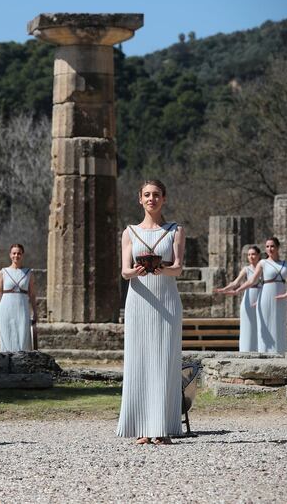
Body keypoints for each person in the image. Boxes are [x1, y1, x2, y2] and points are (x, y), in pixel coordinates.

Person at [116, 180, 184, 446]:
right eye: (147, 195)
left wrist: (161, 270)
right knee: (140, 360)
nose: (151, 199)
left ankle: (163, 427)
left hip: (166, 299)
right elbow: (124, 272)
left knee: (165, 361)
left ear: (164, 199)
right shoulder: (129, 232)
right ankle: (142, 427)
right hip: (139, 300)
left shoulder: (175, 231)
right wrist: (137, 271)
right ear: (139, 199)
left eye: (156, 195)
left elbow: (178, 268)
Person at [227, 237, 287, 353]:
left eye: (272, 246)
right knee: (264, 327)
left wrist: (286, 294)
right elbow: (251, 281)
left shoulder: (285, 265)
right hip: (265, 298)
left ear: (277, 248)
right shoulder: (263, 263)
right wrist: (238, 290)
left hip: (280, 299)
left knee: (279, 325)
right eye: (267, 246)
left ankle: (280, 353)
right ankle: (264, 354)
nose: (269, 249)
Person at [214, 246, 263, 352]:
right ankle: (247, 350)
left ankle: (261, 350)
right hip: (248, 298)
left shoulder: (263, 268)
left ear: (259, 255)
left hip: (260, 297)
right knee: (248, 326)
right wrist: (224, 289)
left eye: (253, 254)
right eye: (249, 255)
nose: (251, 257)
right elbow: (236, 282)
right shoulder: (246, 269)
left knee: (261, 325)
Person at [0, 244, 37, 352]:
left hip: (22, 308)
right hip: (5, 308)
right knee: (7, 336)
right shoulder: (3, 272)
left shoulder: (29, 273)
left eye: (19, 253)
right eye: (14, 253)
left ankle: (22, 364)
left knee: (22, 336)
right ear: (10, 255)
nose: (16, 255)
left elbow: (32, 294)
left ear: (22, 255)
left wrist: (35, 311)